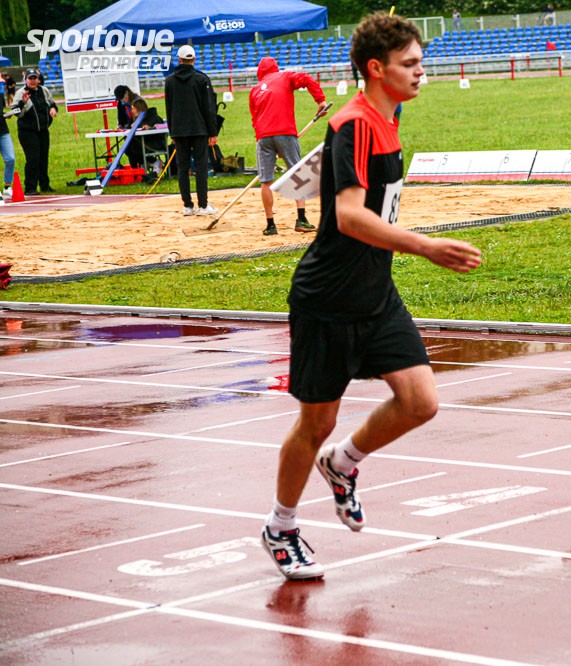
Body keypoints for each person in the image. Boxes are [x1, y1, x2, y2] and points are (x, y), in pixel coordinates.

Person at [260, 12, 482, 581]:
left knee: (420, 401)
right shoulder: (354, 125)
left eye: (421, 62)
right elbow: (350, 216)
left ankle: (343, 464)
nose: (421, 73)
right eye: (410, 64)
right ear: (377, 69)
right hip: (329, 297)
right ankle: (280, 527)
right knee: (315, 424)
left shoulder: (388, 115)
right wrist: (426, 246)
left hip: (376, 292)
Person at [249, 56, 326, 237]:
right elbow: (307, 78)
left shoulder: (255, 89)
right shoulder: (285, 76)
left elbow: (254, 119)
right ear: (275, 67)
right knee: (297, 174)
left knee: (265, 181)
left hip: (263, 137)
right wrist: (320, 101)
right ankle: (301, 219)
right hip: (285, 132)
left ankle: (270, 225)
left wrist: (265, 139)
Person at [164, 44, 218, 216]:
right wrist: (213, 132)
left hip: (179, 130)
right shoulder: (201, 79)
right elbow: (208, 107)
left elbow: (169, 108)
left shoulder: (169, 81)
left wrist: (172, 131)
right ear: (193, 59)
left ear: (179, 60)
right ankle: (203, 205)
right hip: (199, 129)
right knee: (201, 167)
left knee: (183, 168)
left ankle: (187, 205)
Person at [12, 68, 58, 195]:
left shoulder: (44, 90)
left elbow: (52, 103)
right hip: (27, 132)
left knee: (43, 158)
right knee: (33, 158)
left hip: (43, 130)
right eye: (30, 78)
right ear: (26, 80)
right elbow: (16, 112)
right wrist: (22, 102)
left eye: (34, 78)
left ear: (38, 80)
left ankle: (44, 185)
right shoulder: (20, 93)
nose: (32, 81)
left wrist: (53, 109)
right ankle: (30, 187)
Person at [123, 97, 167, 172]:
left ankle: (153, 162)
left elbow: (160, 131)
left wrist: (150, 128)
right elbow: (128, 128)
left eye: (133, 109)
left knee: (132, 147)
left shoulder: (154, 118)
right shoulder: (135, 119)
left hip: (154, 143)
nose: (132, 111)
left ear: (139, 109)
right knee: (127, 147)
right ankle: (135, 170)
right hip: (142, 143)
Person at [1, 94, 17, 199]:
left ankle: (7, 187)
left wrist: (6, 115)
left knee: (10, 158)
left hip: (3, 131)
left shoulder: (0, 96)